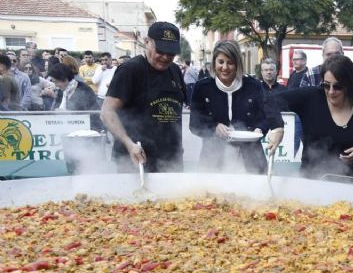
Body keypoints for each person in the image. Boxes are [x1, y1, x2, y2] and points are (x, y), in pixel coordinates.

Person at [267, 55, 353, 179]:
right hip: (312, 182)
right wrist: (278, 127)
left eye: (337, 86)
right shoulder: (311, 97)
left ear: (349, 85)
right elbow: (271, 101)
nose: (331, 91)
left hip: (352, 183)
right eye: (326, 85)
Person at [100, 21, 186, 173]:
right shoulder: (130, 70)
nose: (165, 57)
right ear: (147, 42)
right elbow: (107, 112)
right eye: (160, 51)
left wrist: (177, 147)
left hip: (170, 160)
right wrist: (129, 144)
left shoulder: (175, 70)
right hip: (135, 159)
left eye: (171, 53)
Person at [189, 40, 283, 174]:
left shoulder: (253, 85)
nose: (225, 67)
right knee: (210, 194)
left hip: (251, 159)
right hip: (212, 161)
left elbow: (269, 113)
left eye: (230, 62)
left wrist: (260, 128)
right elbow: (194, 124)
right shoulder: (202, 87)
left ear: (238, 63)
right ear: (214, 63)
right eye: (221, 62)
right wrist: (213, 127)